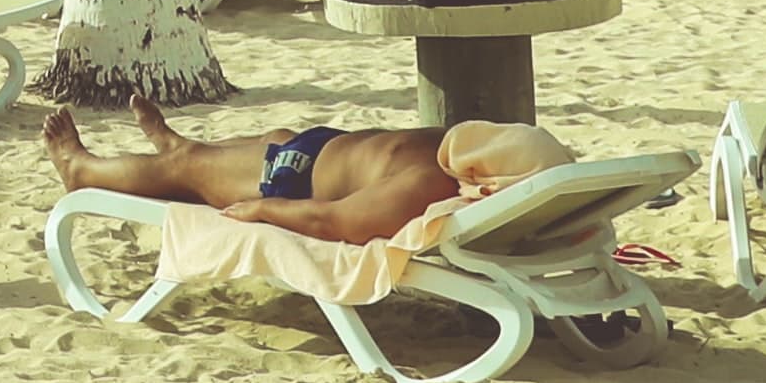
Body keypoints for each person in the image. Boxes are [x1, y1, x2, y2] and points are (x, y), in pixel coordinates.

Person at [38, 101, 563, 244]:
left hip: (296, 178)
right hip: (317, 148)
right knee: (259, 142)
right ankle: (184, 144)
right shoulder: (452, 154)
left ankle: (82, 171)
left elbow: (337, 223)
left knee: (184, 171)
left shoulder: (429, 182)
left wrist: (265, 208)